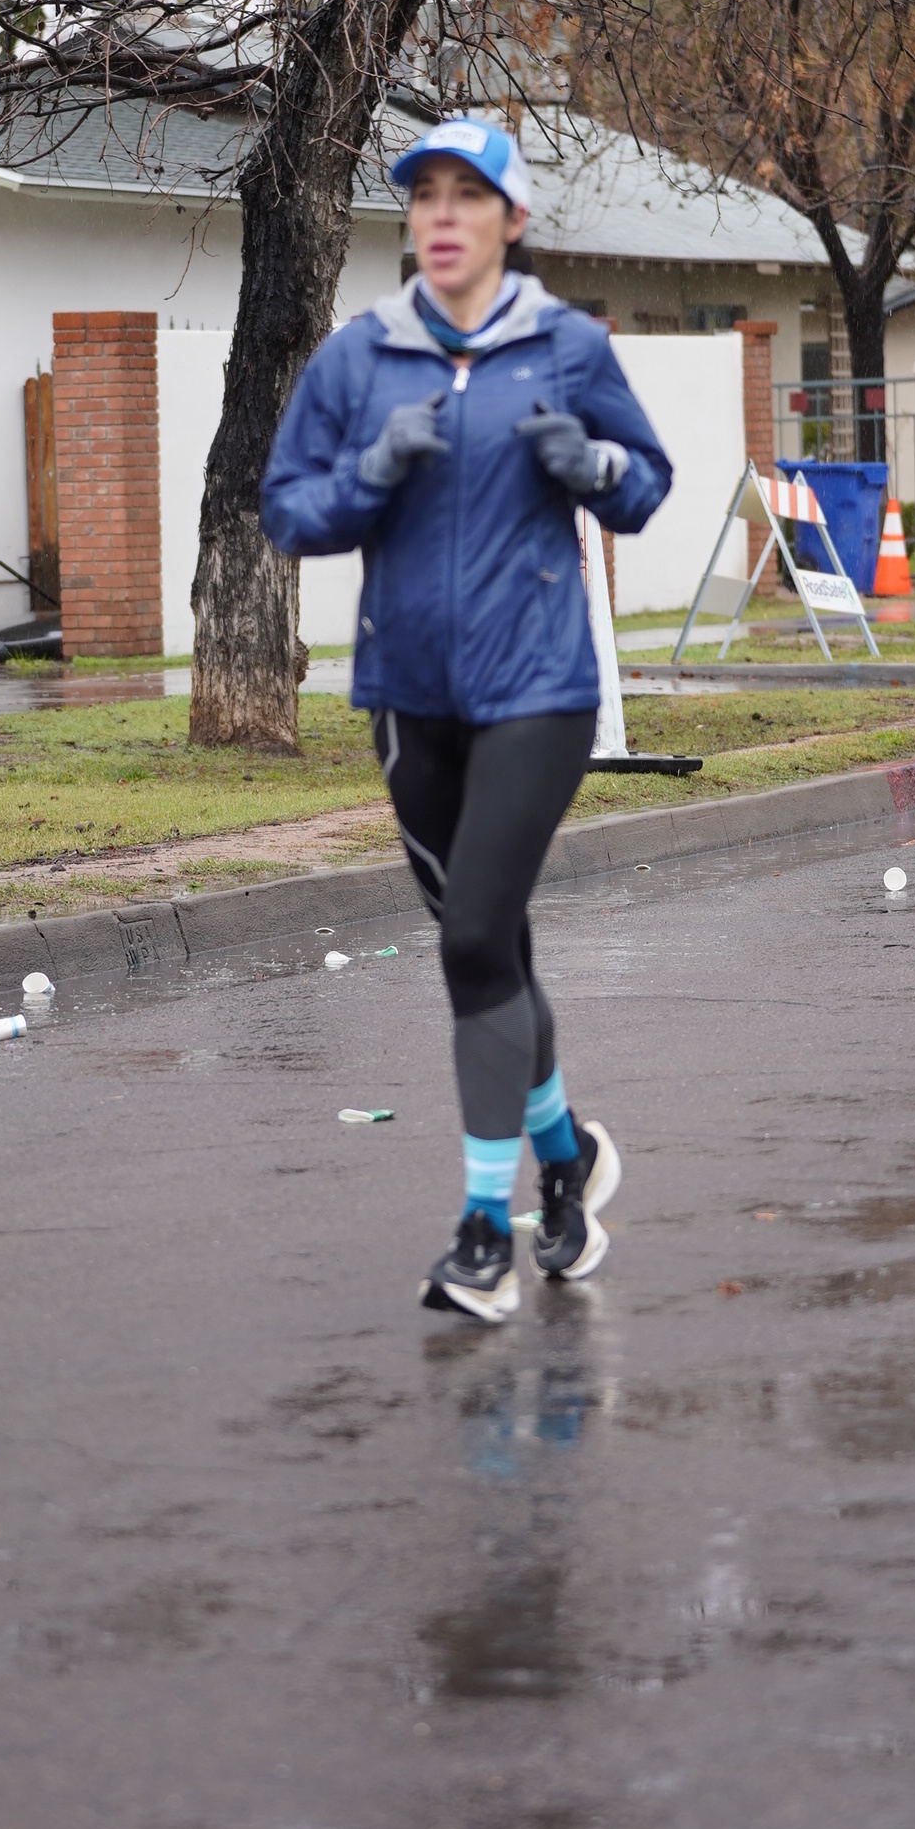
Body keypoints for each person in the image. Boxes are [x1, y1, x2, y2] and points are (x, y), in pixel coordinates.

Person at [260, 115, 672, 1321]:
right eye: (424, 194)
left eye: (466, 194)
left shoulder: (566, 345)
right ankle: (564, 1159)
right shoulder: (358, 359)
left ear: (511, 218)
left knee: (475, 934)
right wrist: (370, 472)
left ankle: (484, 1231)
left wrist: (591, 466)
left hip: (538, 688)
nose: (441, 214)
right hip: (408, 695)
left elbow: (645, 483)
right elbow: (286, 511)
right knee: (488, 947)